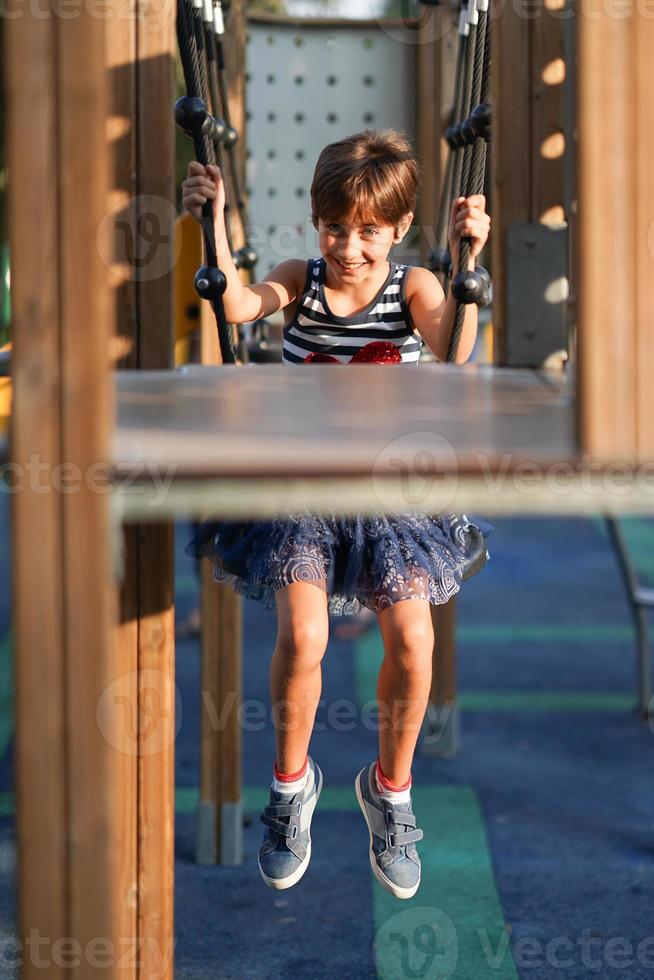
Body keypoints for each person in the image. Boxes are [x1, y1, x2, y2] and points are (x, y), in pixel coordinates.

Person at [182, 129, 493, 900]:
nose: (349, 246)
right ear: (317, 223)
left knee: (415, 641)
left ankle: (390, 792)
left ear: (399, 228)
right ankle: (292, 788)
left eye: (368, 232)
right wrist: (212, 224)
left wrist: (468, 266)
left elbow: (454, 351)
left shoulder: (417, 286)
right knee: (306, 635)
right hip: (303, 490)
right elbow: (241, 303)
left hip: (390, 495)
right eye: (334, 228)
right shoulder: (303, 279)